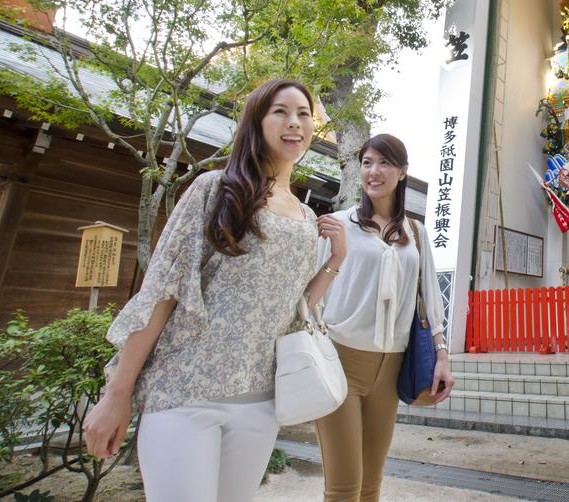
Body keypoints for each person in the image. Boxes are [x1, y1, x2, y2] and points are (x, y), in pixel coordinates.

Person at [83, 78, 338, 502]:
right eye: (281, 111)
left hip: (260, 405)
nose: (295, 122)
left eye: (304, 114)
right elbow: (163, 291)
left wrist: (334, 262)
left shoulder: (308, 218)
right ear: (256, 122)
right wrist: (117, 393)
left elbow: (294, 314)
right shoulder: (217, 190)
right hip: (184, 394)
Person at [311, 133, 453, 502]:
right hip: (340, 359)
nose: (374, 172)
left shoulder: (417, 234)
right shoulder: (337, 224)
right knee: (343, 487)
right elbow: (310, 294)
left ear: (403, 172)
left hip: (391, 367)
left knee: (371, 484)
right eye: (367, 163)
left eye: (385, 163)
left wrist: (442, 354)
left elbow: (430, 299)